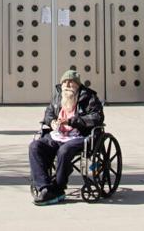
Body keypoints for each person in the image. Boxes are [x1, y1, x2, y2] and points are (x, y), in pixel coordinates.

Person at [28, 67, 104, 205]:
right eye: (65, 82)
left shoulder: (89, 98)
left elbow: (96, 117)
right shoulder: (58, 96)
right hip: (58, 134)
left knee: (64, 150)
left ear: (78, 85)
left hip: (80, 136)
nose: (68, 85)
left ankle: (58, 188)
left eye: (71, 82)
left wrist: (71, 121)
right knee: (35, 146)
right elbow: (48, 113)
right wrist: (51, 122)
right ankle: (44, 187)